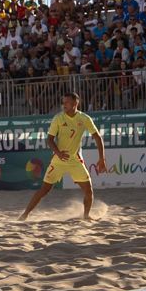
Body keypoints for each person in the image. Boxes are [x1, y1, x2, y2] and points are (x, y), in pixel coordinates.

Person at [20, 91, 107, 221]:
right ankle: (25, 215)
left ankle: (86, 215)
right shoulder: (58, 118)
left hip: (75, 160)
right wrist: (58, 153)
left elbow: (98, 138)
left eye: (67, 102)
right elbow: (49, 139)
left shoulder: (84, 119)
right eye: (63, 102)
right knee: (44, 190)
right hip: (58, 160)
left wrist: (101, 159)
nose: (64, 105)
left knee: (88, 191)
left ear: (75, 103)